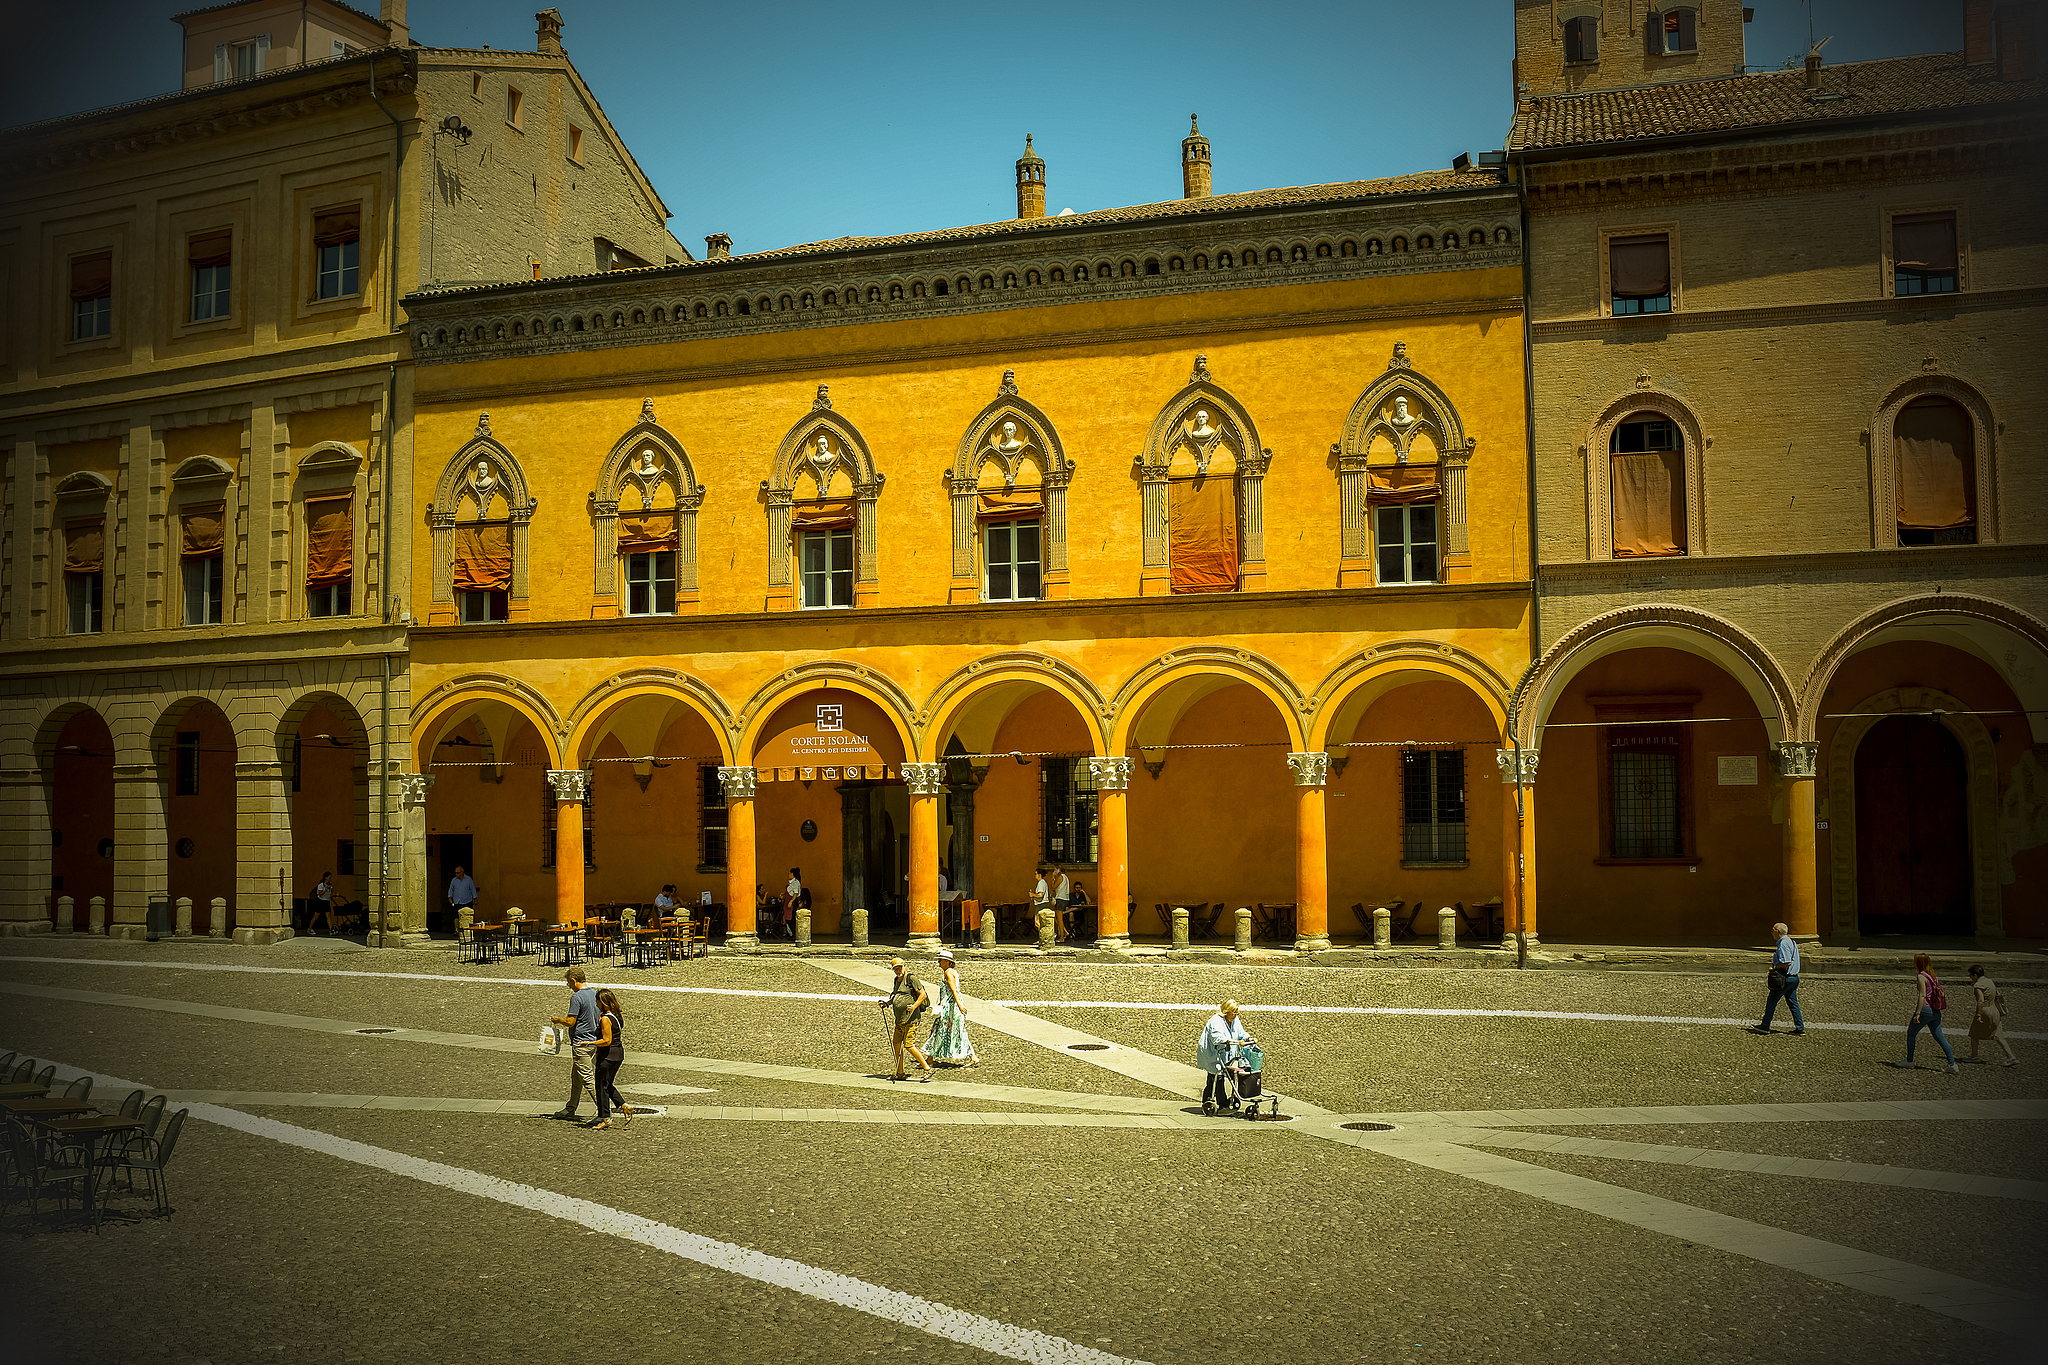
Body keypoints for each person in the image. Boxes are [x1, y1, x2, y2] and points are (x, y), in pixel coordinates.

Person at [546, 968, 604, 1118]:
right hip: (594, 1042)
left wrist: (558, 1020)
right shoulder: (595, 994)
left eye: (568, 983)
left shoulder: (577, 997)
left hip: (581, 1043)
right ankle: (571, 1107)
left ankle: (604, 1110)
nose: (569, 986)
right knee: (576, 1077)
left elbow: (571, 1022)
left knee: (587, 1078)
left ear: (573, 981)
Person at [1893, 953, 1958, 1073]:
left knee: (1911, 1034)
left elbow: (1922, 995)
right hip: (1936, 1011)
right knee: (1939, 1037)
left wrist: (1918, 1013)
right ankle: (1952, 1063)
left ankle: (1909, 1061)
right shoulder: (1933, 976)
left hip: (1926, 1009)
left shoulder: (1921, 977)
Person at [923, 949, 980, 1068]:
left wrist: (959, 1005)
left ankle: (929, 1059)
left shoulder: (948, 973)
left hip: (950, 1009)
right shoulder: (953, 972)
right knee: (958, 1032)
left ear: (947, 961)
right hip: (952, 1007)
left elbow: (954, 990)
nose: (938, 962)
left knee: (939, 1030)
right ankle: (972, 1057)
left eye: (940, 960)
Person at [878, 957, 932, 1079]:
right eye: (895, 969)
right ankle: (900, 1073)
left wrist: (914, 1006)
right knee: (896, 1044)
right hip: (900, 1019)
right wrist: (887, 1003)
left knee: (908, 1045)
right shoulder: (896, 980)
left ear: (905, 966)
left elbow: (922, 995)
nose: (898, 971)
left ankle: (927, 1068)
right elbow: (896, 996)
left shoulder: (911, 978)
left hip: (911, 1019)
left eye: (899, 968)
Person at [1196, 999, 1252, 1115]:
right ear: (1227, 1012)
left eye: (1237, 1013)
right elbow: (1217, 1037)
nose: (1235, 1016)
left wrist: (1248, 1038)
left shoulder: (1235, 1020)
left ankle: (1207, 1101)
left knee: (1214, 1078)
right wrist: (1232, 1041)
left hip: (1227, 1053)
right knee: (1217, 1076)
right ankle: (1223, 1104)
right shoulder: (1216, 1021)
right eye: (1233, 1013)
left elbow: (1241, 1032)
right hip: (1214, 1053)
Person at [587, 988, 631, 1129]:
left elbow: (606, 1040)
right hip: (618, 1054)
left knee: (601, 1087)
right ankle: (624, 1106)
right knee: (607, 1085)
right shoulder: (617, 1016)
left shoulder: (606, 1019)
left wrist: (589, 1043)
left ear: (603, 1002)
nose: (596, 1003)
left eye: (597, 1001)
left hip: (607, 1056)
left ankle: (605, 1118)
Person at [1751, 921, 1805, 1035]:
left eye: (1773, 930)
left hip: (1785, 979)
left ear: (1779, 931)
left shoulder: (1783, 943)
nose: (1772, 933)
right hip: (1794, 978)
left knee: (1772, 1000)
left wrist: (1773, 968)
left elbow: (1786, 963)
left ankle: (1765, 1026)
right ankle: (1800, 1027)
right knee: (1793, 1003)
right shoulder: (1791, 942)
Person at [1965, 965, 2018, 1066]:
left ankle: (1974, 1056)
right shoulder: (1990, 981)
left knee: (1974, 1034)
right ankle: (2011, 1056)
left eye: (1970, 975)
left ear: (1975, 975)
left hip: (1986, 1011)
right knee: (1999, 1036)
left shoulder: (1978, 986)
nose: (1970, 977)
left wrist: (1978, 1015)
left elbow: (1981, 1001)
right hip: (1994, 1010)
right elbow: (1997, 995)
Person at [446, 865, 478, 934]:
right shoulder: (454, 880)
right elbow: (451, 891)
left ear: (462, 873)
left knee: (467, 915)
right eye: (455, 873)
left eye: (458, 873)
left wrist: (475, 899)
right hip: (457, 901)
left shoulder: (468, 879)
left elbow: (472, 889)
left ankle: (468, 929)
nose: (456, 874)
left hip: (467, 901)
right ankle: (457, 930)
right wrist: (451, 902)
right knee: (456, 917)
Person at [307, 871, 335, 936]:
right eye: (329, 877)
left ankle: (331, 929)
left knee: (328, 915)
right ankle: (310, 928)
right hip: (320, 901)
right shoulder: (321, 885)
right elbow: (320, 894)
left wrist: (335, 894)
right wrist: (325, 890)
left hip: (327, 901)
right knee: (316, 916)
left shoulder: (330, 885)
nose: (330, 878)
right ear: (326, 877)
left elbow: (331, 893)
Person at [1030, 864, 1053, 939]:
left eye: (1035, 874)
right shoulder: (1043, 882)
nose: (1035, 876)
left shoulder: (1041, 883)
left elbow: (1040, 895)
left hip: (1041, 904)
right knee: (1041, 921)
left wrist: (1032, 895)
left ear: (1039, 875)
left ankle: (1045, 936)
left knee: (1038, 922)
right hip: (1043, 903)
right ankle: (1043, 937)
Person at [1053, 866, 1073, 943]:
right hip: (1065, 898)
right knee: (1058, 918)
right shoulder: (1066, 877)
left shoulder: (1061, 877)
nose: (1054, 871)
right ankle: (1064, 932)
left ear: (1058, 870)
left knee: (1059, 919)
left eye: (1055, 869)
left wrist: (1053, 878)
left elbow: (1053, 887)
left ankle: (1062, 937)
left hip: (1061, 898)